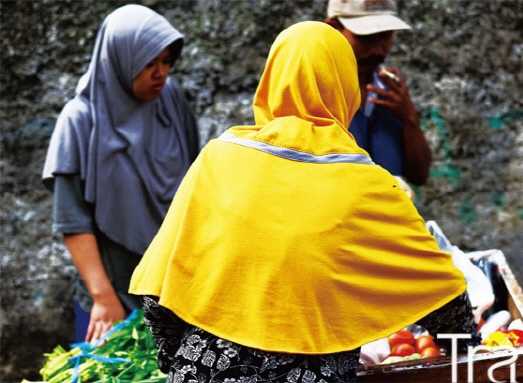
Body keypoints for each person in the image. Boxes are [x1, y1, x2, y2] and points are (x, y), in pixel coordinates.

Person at [129, 21, 478, 383]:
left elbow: (158, 287)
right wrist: (466, 351)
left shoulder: (218, 158)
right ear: (346, 87)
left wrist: (180, 358)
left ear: (271, 78)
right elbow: (442, 293)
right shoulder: (367, 182)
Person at [42, 4, 199, 344]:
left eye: (167, 61)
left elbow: (195, 183)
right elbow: (72, 220)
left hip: (172, 292)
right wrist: (102, 298)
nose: (161, 74)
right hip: (112, 295)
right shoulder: (80, 120)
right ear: (119, 59)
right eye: (149, 63)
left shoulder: (171, 101)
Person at [325, 0, 432, 187]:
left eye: (385, 36)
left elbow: (419, 176)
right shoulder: (316, 93)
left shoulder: (391, 93)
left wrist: (409, 117)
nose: (377, 49)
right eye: (365, 37)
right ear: (333, 29)